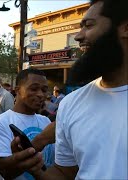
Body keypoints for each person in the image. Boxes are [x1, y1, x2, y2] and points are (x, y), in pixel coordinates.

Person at [9, 0, 128, 179]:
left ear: (125, 28)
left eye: (88, 25)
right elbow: (64, 173)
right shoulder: (71, 103)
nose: (78, 36)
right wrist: (34, 168)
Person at [0, 69, 54, 180]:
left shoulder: (46, 121)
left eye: (44, 90)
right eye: (34, 89)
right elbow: (6, 173)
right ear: (18, 90)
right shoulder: (0, 123)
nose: (40, 94)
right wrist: (41, 141)